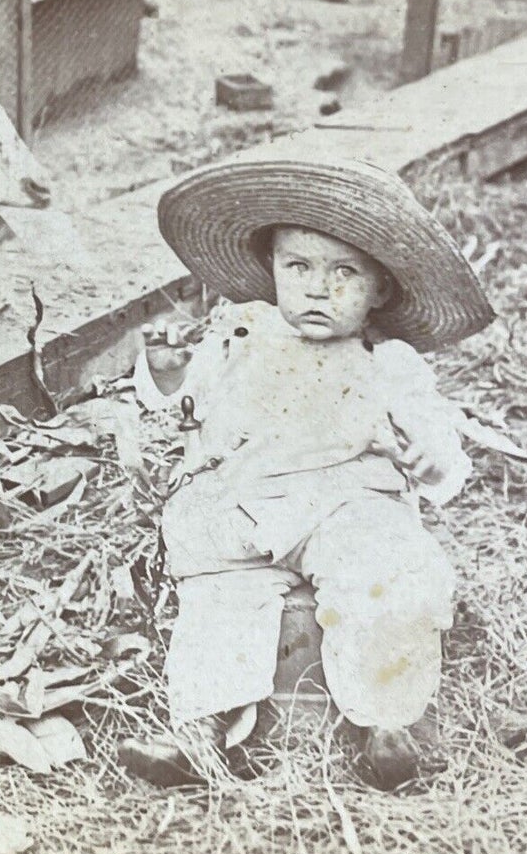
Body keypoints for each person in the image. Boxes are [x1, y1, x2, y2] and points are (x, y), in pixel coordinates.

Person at [119, 154, 494, 792]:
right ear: (271, 269)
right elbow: (186, 399)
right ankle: (201, 729)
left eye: (344, 272)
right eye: (299, 268)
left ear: (380, 288)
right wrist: (167, 369)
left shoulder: (390, 360)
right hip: (247, 501)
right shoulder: (240, 330)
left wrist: (431, 453)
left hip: (348, 502)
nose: (318, 289)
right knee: (218, 591)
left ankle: (386, 724)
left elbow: (435, 436)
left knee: (392, 573)